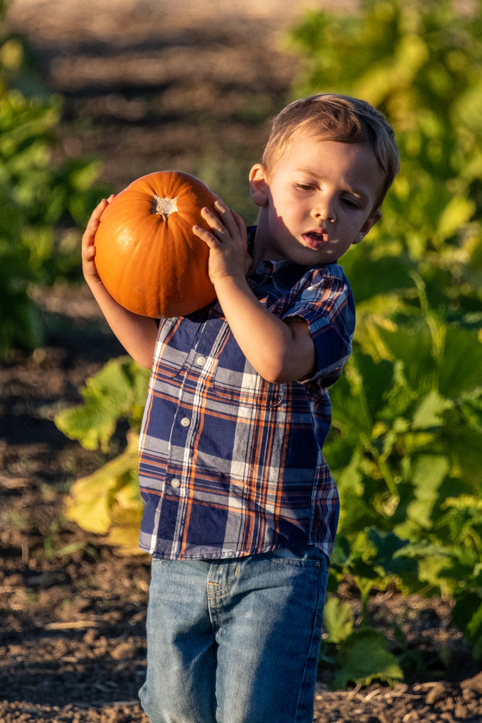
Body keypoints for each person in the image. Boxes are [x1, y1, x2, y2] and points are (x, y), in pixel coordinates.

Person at [82, 93, 400, 723]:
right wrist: (104, 286)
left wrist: (229, 280)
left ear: (368, 225)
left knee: (257, 711)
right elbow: (160, 357)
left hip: (275, 554)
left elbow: (277, 359)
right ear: (260, 184)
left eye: (350, 203)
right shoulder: (202, 264)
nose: (323, 211)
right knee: (175, 707)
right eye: (305, 185)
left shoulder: (324, 294)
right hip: (182, 539)